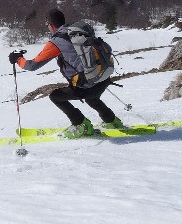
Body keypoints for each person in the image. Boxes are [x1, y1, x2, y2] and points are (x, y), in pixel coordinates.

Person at [9, 8, 123, 138]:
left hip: (89, 83)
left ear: (51, 25)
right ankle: (112, 121)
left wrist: (18, 59)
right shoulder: (78, 32)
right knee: (91, 97)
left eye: (47, 25)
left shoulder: (57, 41)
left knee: (55, 96)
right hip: (103, 78)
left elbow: (32, 65)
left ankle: (81, 125)